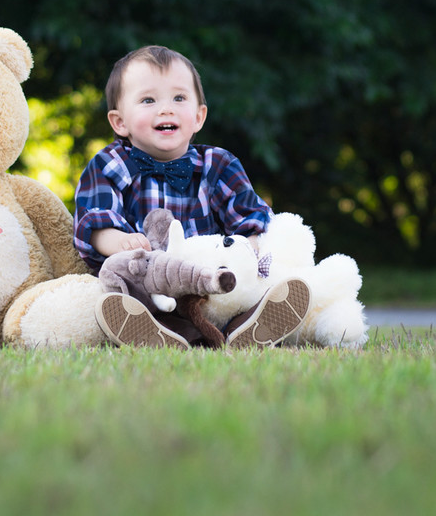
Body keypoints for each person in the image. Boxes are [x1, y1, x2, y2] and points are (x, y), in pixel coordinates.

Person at [74, 45, 309, 349]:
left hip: (213, 283)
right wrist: (121, 243)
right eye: (148, 100)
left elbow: (253, 223)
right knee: (125, 290)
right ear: (120, 122)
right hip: (150, 283)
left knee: (245, 287)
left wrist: (240, 256)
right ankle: (156, 331)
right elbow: (94, 221)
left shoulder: (218, 164)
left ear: (199, 116)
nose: (166, 108)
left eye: (179, 98)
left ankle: (248, 325)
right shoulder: (111, 164)